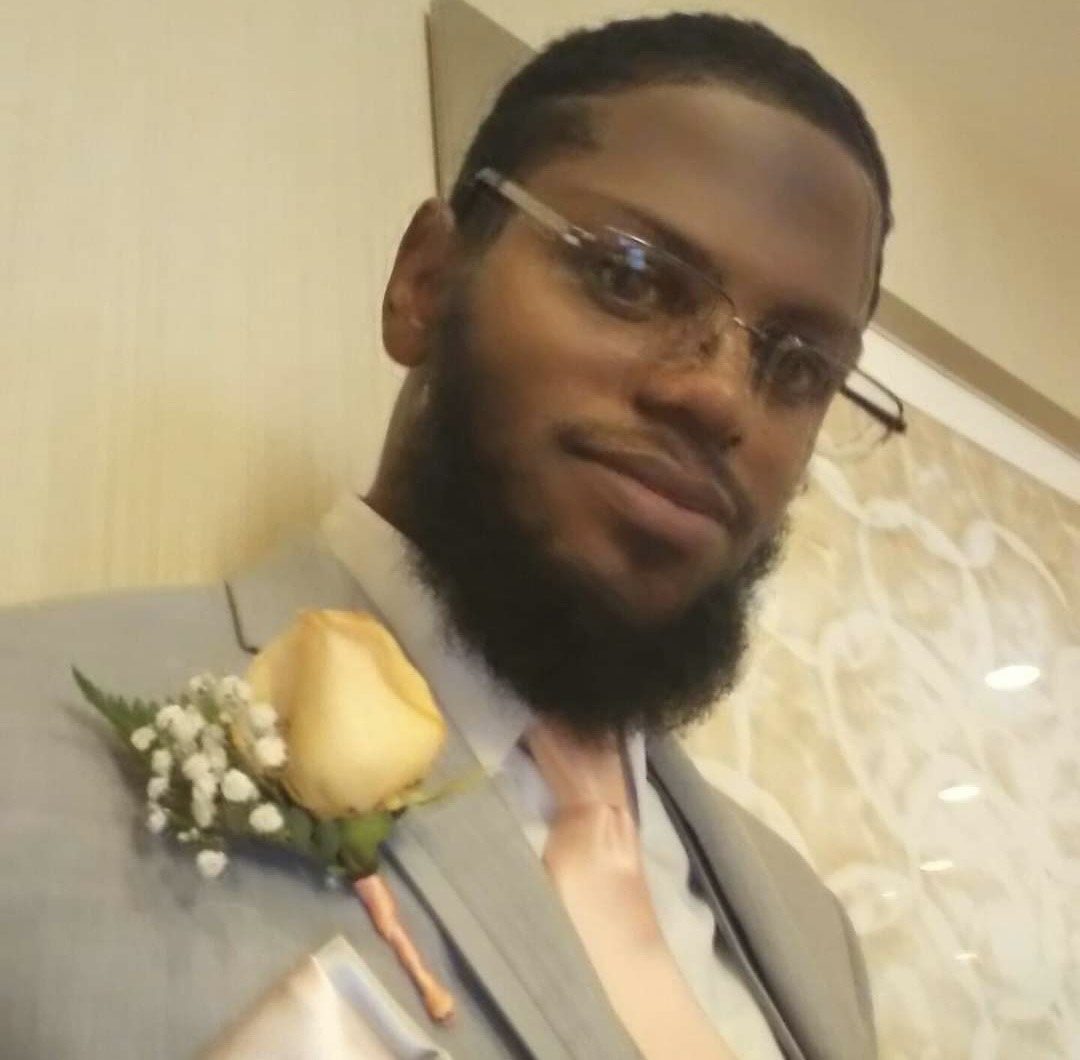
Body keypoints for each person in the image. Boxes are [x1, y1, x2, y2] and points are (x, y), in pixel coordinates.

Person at [0, 11, 894, 1059]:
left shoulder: (814, 935)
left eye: (796, 366)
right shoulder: (32, 727)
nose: (718, 396)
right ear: (424, 281)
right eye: (632, 277)